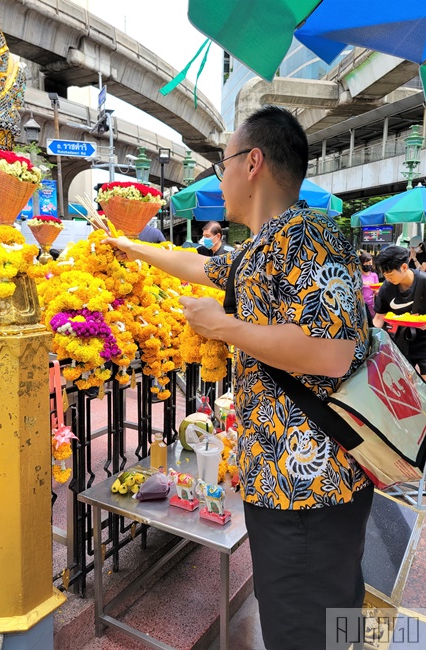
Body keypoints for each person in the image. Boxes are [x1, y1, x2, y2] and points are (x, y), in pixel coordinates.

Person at [105, 105, 373, 650]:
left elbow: (331, 351)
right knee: (336, 614)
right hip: (296, 483)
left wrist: (222, 325)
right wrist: (131, 247)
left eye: (221, 161)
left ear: (253, 163)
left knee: (301, 628)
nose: (217, 176)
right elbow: (201, 267)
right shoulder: (264, 246)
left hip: (306, 489)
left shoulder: (307, 235)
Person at [373, 245, 426, 379]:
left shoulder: (424, 282)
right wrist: (372, 338)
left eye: (390, 275)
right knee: (404, 384)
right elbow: (379, 317)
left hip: (424, 343)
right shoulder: (386, 288)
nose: (388, 279)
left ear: (404, 267)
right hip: (400, 343)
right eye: (385, 275)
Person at [360, 252, 379, 319]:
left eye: (370, 264)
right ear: (361, 264)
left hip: (371, 305)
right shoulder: (358, 275)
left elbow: (377, 291)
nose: (369, 265)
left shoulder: (374, 275)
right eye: (366, 264)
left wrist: (375, 289)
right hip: (361, 305)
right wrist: (362, 284)